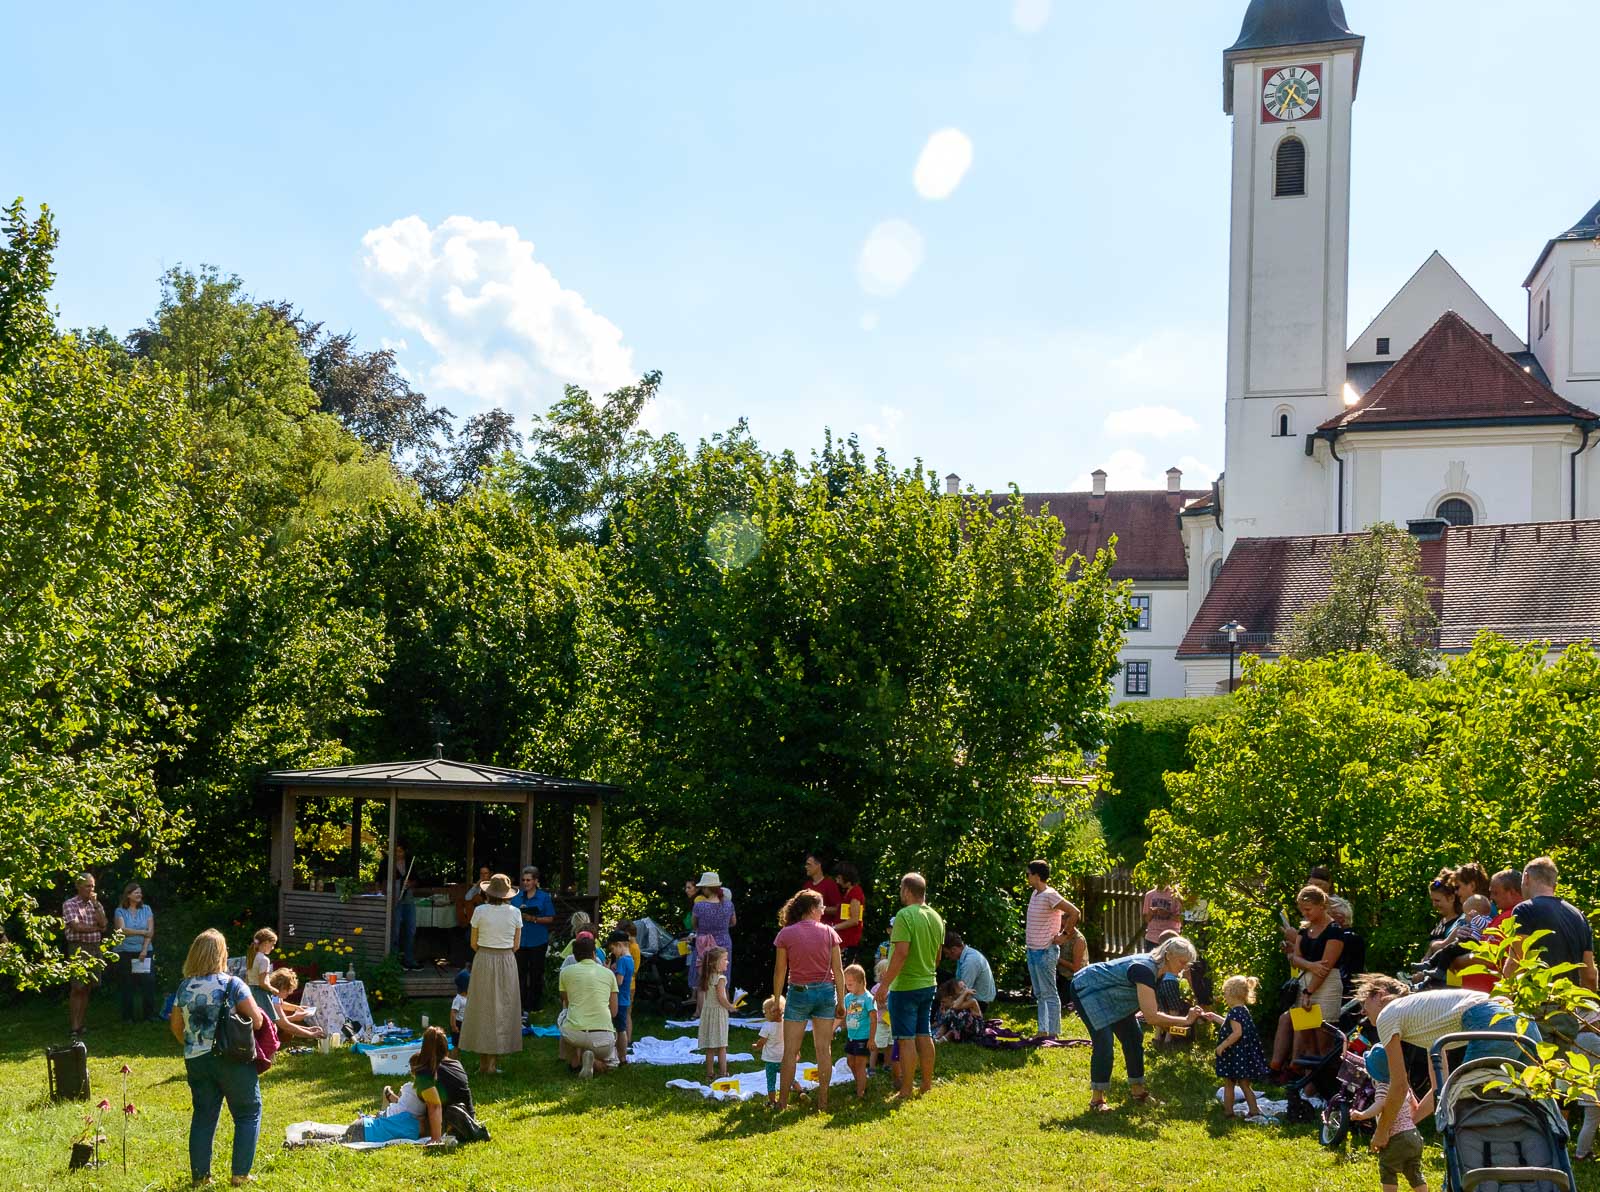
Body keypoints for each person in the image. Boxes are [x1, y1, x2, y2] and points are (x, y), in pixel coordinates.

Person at [1357, 975, 1541, 1156]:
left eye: (1364, 1003)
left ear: (1379, 995)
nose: (1363, 1011)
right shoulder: (1421, 1016)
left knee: (1465, 1107)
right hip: (1522, 1019)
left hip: (1493, 1020)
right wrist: (1408, 1122)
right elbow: (1441, 1087)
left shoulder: (1386, 1015)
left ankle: (1460, 1178)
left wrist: (1382, 1131)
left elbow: (1399, 1085)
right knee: (1536, 1105)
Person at [170, 928, 266, 1187]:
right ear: (220, 955)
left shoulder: (184, 986)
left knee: (203, 1115)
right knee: (247, 1112)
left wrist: (194, 1045)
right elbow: (257, 1021)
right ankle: (240, 1174)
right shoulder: (233, 984)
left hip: (196, 1060)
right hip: (231, 1058)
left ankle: (201, 1177)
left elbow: (177, 1028)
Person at [1069, 936, 1204, 1111]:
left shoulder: (1160, 971)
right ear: (1168, 955)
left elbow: (1154, 1014)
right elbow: (1152, 1017)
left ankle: (1138, 1092)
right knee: (1104, 1043)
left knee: (1133, 1037)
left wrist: (1180, 1028)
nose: (1184, 967)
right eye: (1182, 962)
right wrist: (1186, 1021)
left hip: (1114, 996)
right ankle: (1097, 1100)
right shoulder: (1145, 969)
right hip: (1088, 989)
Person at [772, 888, 846, 1111]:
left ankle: (782, 1102)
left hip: (799, 994)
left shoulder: (786, 933)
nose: (824, 910)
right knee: (824, 1049)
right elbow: (839, 970)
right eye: (822, 907)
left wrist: (777, 1000)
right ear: (812, 909)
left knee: (790, 1051)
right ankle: (823, 1101)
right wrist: (841, 1001)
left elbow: (780, 971)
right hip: (826, 993)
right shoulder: (829, 933)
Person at [878, 872, 945, 1103]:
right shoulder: (936, 917)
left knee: (905, 1039)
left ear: (907, 891)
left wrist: (884, 985)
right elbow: (938, 957)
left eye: (900, 889)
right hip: (929, 983)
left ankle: (906, 1089)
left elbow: (901, 953)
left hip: (905, 987)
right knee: (924, 1034)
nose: (900, 893)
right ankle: (926, 1085)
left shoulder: (904, 915)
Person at [1273, 885, 1346, 1071]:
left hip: (1326, 987)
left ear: (1322, 905)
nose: (1305, 914)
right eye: (1302, 910)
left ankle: (1326, 1091)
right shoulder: (1304, 930)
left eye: (1308, 909)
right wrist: (1311, 966)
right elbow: (1295, 958)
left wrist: (1309, 991)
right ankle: (1308, 1090)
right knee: (1307, 1041)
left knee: (1323, 1043)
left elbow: (1326, 967)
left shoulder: (1334, 930)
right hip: (1304, 982)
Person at [461, 872, 522, 1075]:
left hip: (483, 958)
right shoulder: (515, 913)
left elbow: (473, 943)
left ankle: (484, 1063)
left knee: (482, 1007)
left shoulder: (479, 911)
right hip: (506, 959)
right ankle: (492, 1064)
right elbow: (516, 945)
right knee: (502, 1008)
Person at [1507, 855, 1598, 991]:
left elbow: (1516, 963)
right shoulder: (1579, 916)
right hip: (1570, 1005)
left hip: (1536, 1005)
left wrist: (1503, 1003)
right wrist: (1588, 1007)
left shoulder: (1524, 910)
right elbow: (1590, 974)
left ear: (1526, 878)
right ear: (1554, 886)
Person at [1349, 1047, 1429, 1192]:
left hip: (1396, 1138)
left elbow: (1380, 1105)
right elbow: (1414, 1107)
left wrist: (1362, 1114)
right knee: (1414, 1169)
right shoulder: (1404, 1086)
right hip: (1414, 1136)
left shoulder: (1383, 1087)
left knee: (1388, 1168)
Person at [1024, 860, 1080, 1038]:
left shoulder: (1050, 895)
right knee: (1040, 993)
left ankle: (1054, 1032)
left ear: (1037, 876)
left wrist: (1064, 935)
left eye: (1028, 874)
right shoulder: (1035, 894)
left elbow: (1074, 912)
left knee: (1049, 992)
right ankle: (1043, 1030)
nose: (1027, 877)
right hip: (1032, 951)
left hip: (1045, 951)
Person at [1209, 975, 1270, 1121]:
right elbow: (1232, 1025)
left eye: (1225, 994)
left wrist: (1222, 1046)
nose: (1225, 998)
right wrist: (1215, 1017)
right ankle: (1254, 1110)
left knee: (1229, 1084)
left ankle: (1229, 1113)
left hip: (1234, 1055)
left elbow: (1237, 1033)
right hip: (1242, 1056)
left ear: (1231, 993)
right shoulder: (1243, 1010)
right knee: (1245, 1085)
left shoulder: (1234, 1012)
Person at [558, 933, 618, 1077]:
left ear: (574, 955)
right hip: (602, 1037)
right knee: (611, 1066)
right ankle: (595, 1061)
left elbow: (566, 1001)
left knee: (563, 1015)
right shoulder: (608, 974)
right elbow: (614, 1011)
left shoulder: (565, 972)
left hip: (574, 1033)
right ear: (594, 954)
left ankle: (575, 1061)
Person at [62, 873, 107, 1037]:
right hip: (78, 947)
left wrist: (95, 906)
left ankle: (81, 1024)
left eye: (93, 886)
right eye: (88, 886)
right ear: (78, 886)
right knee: (77, 987)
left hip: (95, 947)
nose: (91, 889)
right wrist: (96, 928)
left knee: (88, 987)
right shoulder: (70, 904)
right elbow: (76, 927)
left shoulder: (96, 904)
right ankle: (74, 1027)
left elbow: (104, 924)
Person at [511, 866, 555, 1015]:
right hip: (520, 941)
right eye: (523, 880)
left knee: (536, 973)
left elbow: (550, 918)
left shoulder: (544, 897)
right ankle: (520, 1004)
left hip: (538, 940)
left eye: (529, 880)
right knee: (520, 973)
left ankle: (535, 1005)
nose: (525, 883)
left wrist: (533, 919)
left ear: (536, 881)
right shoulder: (517, 897)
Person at [690, 872, 736, 1013]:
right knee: (723, 979)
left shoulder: (699, 906)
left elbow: (694, 925)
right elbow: (733, 923)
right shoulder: (728, 905)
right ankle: (724, 1011)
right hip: (723, 943)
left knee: (703, 980)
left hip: (704, 944)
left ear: (707, 888)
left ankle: (701, 1013)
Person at [112, 882, 157, 1023]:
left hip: (144, 951)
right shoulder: (119, 911)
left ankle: (149, 1016)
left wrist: (144, 950)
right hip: (125, 951)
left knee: (148, 983)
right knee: (127, 984)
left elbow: (151, 932)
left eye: (140, 892)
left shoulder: (147, 909)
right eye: (136, 892)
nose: (139, 895)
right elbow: (121, 930)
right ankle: (128, 1017)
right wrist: (141, 932)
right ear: (128, 895)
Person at [698, 946, 735, 1082]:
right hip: (718, 1014)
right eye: (725, 959)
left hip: (708, 1013)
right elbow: (721, 998)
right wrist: (731, 1007)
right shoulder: (721, 978)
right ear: (715, 963)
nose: (727, 962)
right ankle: (723, 1072)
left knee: (710, 1046)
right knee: (721, 1045)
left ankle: (709, 1073)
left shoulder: (707, 977)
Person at [841, 963, 877, 1096]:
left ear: (861, 982)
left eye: (850, 984)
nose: (847, 987)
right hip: (851, 1037)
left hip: (863, 1037)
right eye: (846, 984)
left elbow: (874, 1019)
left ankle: (860, 1093)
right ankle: (860, 1082)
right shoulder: (848, 998)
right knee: (850, 1062)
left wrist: (872, 1039)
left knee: (860, 1063)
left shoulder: (868, 998)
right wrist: (833, 1028)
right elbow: (843, 1015)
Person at [941, 931, 997, 1015]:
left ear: (953, 949)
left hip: (979, 1002)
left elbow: (963, 992)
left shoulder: (970, 961)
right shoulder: (964, 955)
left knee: (944, 1002)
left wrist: (949, 1002)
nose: (947, 956)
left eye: (947, 953)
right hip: (973, 996)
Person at [262, 970, 325, 1042]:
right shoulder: (273, 998)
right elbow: (284, 1024)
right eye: (288, 990)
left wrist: (297, 1008)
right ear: (282, 987)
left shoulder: (274, 995)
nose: (290, 992)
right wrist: (311, 1034)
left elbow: (281, 1005)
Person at [606, 928, 635, 1065]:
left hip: (619, 1000)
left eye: (613, 949)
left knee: (620, 1029)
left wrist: (608, 973)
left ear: (619, 945)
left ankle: (622, 1057)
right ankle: (621, 1056)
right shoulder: (630, 959)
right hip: (625, 998)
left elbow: (619, 981)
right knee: (620, 1028)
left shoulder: (622, 960)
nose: (612, 952)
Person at [388, 841, 418, 970]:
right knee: (395, 931)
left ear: (404, 851)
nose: (398, 853)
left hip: (408, 900)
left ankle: (408, 960)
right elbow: (380, 880)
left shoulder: (410, 863)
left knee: (410, 930)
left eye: (400, 851)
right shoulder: (387, 863)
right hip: (394, 899)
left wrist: (410, 884)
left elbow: (417, 880)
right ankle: (394, 961)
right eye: (396, 851)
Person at [756, 994, 786, 1106]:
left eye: (765, 1012)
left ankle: (772, 1101)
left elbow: (762, 1041)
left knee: (771, 1081)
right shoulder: (785, 1024)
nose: (764, 1014)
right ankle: (800, 1091)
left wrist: (756, 1046)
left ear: (773, 1012)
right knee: (790, 1078)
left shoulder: (767, 1026)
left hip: (771, 1060)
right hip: (783, 1058)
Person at [834, 862, 866, 965]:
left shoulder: (855, 892)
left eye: (839, 878)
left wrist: (834, 927)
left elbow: (854, 920)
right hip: (843, 940)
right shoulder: (848, 892)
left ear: (846, 877)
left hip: (850, 941)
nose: (837, 881)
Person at [1056, 919, 1089, 1018]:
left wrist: (1057, 959)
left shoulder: (1078, 940)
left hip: (1074, 979)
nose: (1060, 929)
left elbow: (1076, 968)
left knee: (1061, 1002)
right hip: (1061, 975)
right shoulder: (1062, 935)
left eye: (1063, 926)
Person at [243, 927, 278, 1015]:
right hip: (260, 993)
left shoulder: (251, 957)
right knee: (269, 1020)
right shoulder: (264, 960)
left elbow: (247, 979)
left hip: (250, 992)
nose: (273, 947)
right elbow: (262, 983)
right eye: (272, 944)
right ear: (266, 943)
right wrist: (273, 990)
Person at [870, 958, 894, 1079]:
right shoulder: (877, 988)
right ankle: (872, 1067)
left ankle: (887, 1064)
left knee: (890, 1044)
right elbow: (874, 1004)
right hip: (880, 1021)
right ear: (881, 974)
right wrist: (885, 1005)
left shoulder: (893, 987)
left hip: (890, 1021)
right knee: (876, 1045)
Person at [802, 853, 842, 927]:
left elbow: (838, 909)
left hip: (824, 929)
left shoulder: (830, 884)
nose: (806, 867)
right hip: (807, 928)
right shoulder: (807, 886)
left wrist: (818, 908)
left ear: (818, 865)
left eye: (809, 864)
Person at [1140, 884, 1183, 951]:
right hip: (1152, 938)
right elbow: (1146, 919)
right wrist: (1151, 913)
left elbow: (1181, 919)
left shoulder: (1176, 896)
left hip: (1170, 938)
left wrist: (1168, 914)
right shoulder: (1149, 895)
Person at [449, 967, 470, 1048]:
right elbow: (453, 1013)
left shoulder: (468, 997)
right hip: (457, 1024)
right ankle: (452, 1060)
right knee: (456, 1046)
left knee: (461, 1044)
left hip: (464, 1023)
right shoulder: (458, 999)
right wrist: (453, 1026)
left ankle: (455, 1059)